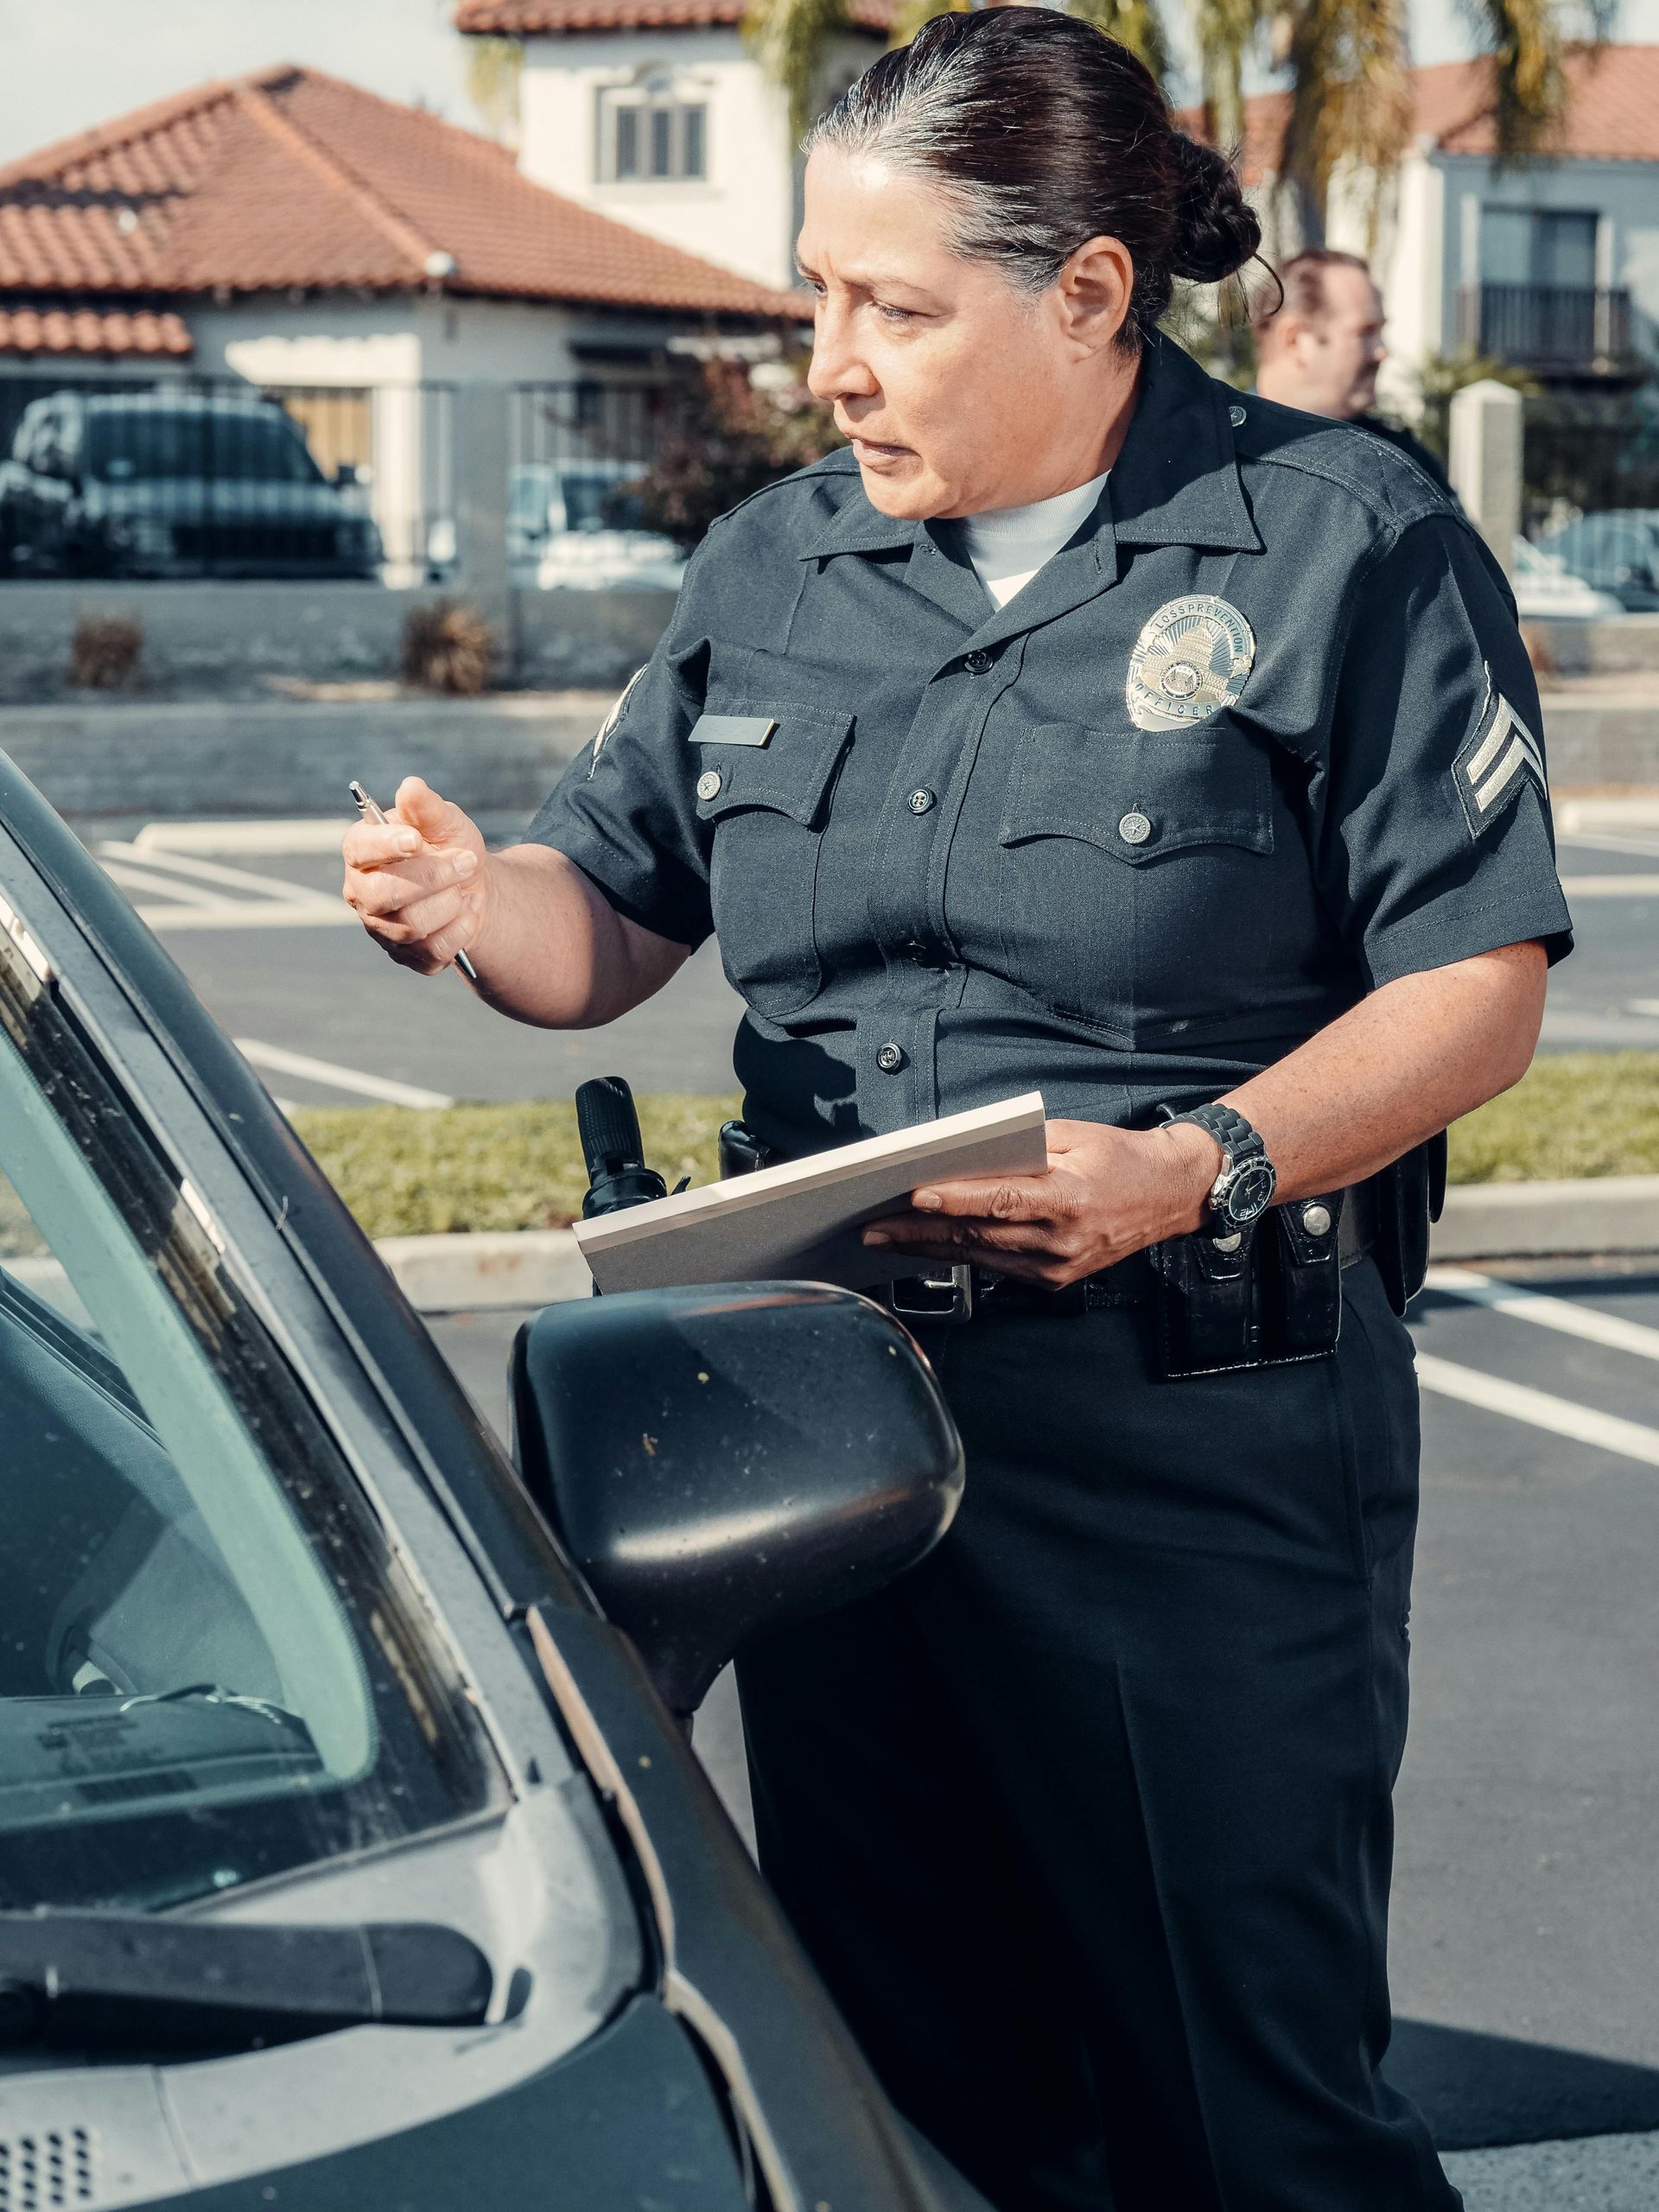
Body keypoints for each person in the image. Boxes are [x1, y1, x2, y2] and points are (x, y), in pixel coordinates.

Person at [340, 13, 1570, 2207]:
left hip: (1185, 1437)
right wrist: (464, 898)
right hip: (826, 1446)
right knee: (911, 2089)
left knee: (1248, 2104)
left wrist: (1194, 1163)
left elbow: (1474, 984)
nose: (831, 358)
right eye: (820, 291)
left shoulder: (1333, 541)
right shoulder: (775, 568)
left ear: (1086, 295)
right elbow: (604, 924)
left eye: (892, 307)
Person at [1254, 244, 1455, 493]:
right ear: (1295, 341)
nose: (1382, 352)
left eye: (1380, 332)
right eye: (1365, 333)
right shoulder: (1217, 453)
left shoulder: (1401, 461)